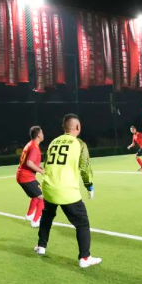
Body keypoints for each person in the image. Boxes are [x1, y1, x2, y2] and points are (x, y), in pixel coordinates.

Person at [35, 114, 101, 268]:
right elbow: (84, 167)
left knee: (47, 216)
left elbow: (47, 164)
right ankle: (85, 257)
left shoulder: (53, 142)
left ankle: (41, 246)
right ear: (78, 127)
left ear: (63, 127)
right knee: (82, 223)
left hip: (48, 188)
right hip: (66, 190)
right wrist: (89, 186)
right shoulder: (79, 143)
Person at [16, 126, 45, 228]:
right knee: (42, 197)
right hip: (26, 177)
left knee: (36, 195)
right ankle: (36, 221)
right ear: (38, 135)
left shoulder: (30, 144)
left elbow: (29, 162)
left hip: (23, 176)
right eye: (42, 133)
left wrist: (39, 168)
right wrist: (41, 171)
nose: (43, 134)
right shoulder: (34, 147)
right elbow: (29, 163)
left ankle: (29, 215)